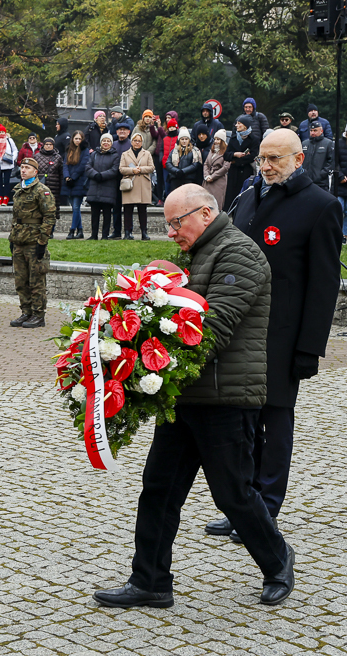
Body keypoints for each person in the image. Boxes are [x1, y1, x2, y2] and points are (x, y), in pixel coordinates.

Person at [93, 184, 295, 611]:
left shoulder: (238, 252)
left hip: (226, 397)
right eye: (167, 224)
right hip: (185, 394)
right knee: (159, 490)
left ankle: (278, 561)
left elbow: (214, 327)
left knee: (233, 493)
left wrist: (151, 360)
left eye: (175, 222)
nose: (170, 233)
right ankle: (149, 581)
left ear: (204, 213)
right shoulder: (197, 250)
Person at [205, 128, 341, 546]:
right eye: (262, 159)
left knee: (274, 423)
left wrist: (309, 347)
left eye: (275, 159)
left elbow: (323, 286)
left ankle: (265, 510)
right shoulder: (247, 197)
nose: (265, 167)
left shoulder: (321, 206)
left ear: (299, 160)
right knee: (241, 423)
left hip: (282, 335)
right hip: (240, 331)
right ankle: (242, 506)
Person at [8, 157, 55, 329]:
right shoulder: (18, 190)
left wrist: (42, 242)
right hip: (19, 241)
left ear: (36, 172)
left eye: (27, 168)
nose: (23, 170)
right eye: (22, 167)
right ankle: (26, 312)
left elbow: (49, 217)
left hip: (34, 241)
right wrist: (12, 238)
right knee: (21, 281)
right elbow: (16, 218)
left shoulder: (42, 191)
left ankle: (38, 314)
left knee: (36, 281)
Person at [119, 132, 154, 240]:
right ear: (131, 142)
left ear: (142, 142)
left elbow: (151, 167)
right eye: (135, 140)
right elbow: (121, 169)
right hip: (130, 183)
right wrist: (132, 170)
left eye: (139, 141)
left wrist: (141, 169)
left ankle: (144, 232)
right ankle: (127, 232)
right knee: (128, 210)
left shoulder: (147, 153)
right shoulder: (125, 154)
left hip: (143, 184)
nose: (137, 143)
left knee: (142, 210)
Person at [85, 133, 120, 240]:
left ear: (111, 143)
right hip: (95, 187)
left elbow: (115, 170)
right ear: (101, 142)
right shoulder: (94, 154)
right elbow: (88, 167)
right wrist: (95, 175)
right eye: (104, 141)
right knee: (94, 214)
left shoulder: (115, 155)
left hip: (108, 188)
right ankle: (93, 235)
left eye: (108, 141)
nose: (106, 143)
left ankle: (105, 235)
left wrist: (102, 175)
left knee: (107, 214)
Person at [224, 115, 260, 212]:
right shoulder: (233, 138)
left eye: (239, 123)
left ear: (245, 125)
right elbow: (226, 155)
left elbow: (252, 156)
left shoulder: (254, 139)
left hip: (246, 172)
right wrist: (236, 154)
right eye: (236, 123)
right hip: (233, 173)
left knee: (244, 197)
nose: (236, 125)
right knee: (230, 198)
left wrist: (235, 160)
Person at [62, 130, 88, 239]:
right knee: (74, 207)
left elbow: (83, 165)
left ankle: (72, 230)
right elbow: (65, 164)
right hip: (69, 182)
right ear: (73, 139)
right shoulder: (69, 150)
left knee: (76, 207)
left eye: (79, 139)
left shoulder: (85, 150)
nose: (77, 141)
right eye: (76, 138)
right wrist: (67, 177)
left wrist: (73, 177)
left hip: (79, 182)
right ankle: (80, 230)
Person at [35, 137, 64, 231]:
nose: (48, 146)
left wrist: (61, 187)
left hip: (54, 187)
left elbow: (61, 174)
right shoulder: (37, 156)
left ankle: (51, 230)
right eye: (46, 144)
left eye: (50, 144)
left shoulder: (58, 157)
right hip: (40, 186)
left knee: (52, 210)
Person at [165, 128, 202, 193]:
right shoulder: (174, 151)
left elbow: (195, 164)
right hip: (175, 178)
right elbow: (168, 163)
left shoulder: (194, 151)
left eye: (186, 139)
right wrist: (176, 171)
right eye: (182, 139)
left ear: (189, 140)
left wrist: (183, 171)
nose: (184, 141)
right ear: (179, 140)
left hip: (188, 179)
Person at [301, 121, 334, 191]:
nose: (313, 133)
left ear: (321, 131)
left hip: (321, 182)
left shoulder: (328, 143)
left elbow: (331, 161)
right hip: (306, 181)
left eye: (315, 130)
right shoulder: (304, 144)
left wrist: (322, 174)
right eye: (311, 130)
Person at [202, 129, 229, 209]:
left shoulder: (227, 151)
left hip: (219, 181)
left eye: (218, 139)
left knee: (216, 204)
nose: (216, 141)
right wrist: (206, 176)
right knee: (206, 202)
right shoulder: (212, 150)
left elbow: (225, 167)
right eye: (215, 139)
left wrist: (213, 177)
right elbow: (206, 163)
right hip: (208, 180)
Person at [0, 125, 18, 199]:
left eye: (3, 132)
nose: (1, 133)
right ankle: (0, 196)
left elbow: (15, 150)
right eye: (0, 132)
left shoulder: (10, 140)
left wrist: (12, 158)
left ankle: (6, 197)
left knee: (7, 182)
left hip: (8, 164)